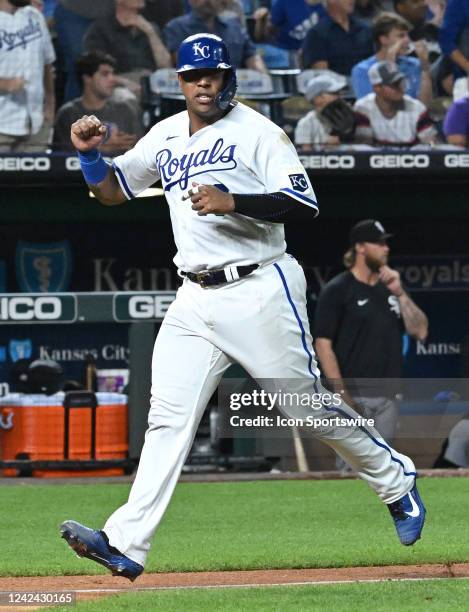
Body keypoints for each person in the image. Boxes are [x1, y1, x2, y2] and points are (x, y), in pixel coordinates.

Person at [59, 33, 426, 581]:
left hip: (259, 284)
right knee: (167, 419)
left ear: (228, 77)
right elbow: (113, 189)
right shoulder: (165, 136)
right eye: (192, 75)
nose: (203, 83)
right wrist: (90, 156)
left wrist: (234, 201)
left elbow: (304, 202)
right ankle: (126, 543)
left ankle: (395, 479)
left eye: (212, 74)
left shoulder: (259, 132)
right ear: (180, 81)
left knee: (304, 409)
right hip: (194, 297)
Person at [314, 220, 428, 462]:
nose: (385, 248)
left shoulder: (390, 289)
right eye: (379, 242)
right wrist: (343, 396)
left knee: (384, 468)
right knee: (351, 470)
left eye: (386, 242)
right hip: (354, 395)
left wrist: (400, 292)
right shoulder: (338, 289)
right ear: (360, 247)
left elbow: (420, 331)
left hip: (388, 397)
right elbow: (323, 345)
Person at [53, 51, 142, 153]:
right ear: (87, 78)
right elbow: (62, 158)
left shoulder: (125, 110)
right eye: (105, 74)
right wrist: (105, 149)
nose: (112, 79)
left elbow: (141, 153)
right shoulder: (68, 114)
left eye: (112, 74)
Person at [83, 0, 171, 97]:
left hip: (152, 83)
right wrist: (125, 83)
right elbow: (96, 71)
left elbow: (166, 66)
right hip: (118, 85)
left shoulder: (151, 27)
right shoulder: (100, 30)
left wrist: (150, 33)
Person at [0, 0, 55, 152]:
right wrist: (4, 84)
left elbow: (47, 61)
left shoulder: (35, 16)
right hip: (2, 122)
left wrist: (51, 101)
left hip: (36, 121)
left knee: (37, 176)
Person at [351, 13, 433, 108]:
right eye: (401, 36)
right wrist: (389, 65)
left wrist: (425, 67)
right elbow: (374, 110)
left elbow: (425, 106)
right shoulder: (362, 70)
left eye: (407, 35)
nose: (407, 40)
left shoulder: (414, 64)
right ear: (384, 40)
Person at [164, 0, 268, 73]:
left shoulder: (235, 26)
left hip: (238, 92)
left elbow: (253, 58)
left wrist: (263, 78)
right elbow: (183, 65)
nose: (209, 1)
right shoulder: (176, 27)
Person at [354, 61, 437, 146]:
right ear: (377, 88)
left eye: (401, 82)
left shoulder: (417, 107)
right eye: (394, 84)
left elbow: (431, 144)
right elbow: (364, 146)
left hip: (411, 156)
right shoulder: (364, 107)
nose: (400, 88)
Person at [301, 0, 374, 75]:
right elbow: (321, 77)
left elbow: (375, 64)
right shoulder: (317, 34)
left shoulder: (365, 30)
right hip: (337, 85)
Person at [294, 73, 354, 150]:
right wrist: (325, 148)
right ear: (318, 97)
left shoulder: (347, 116)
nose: (339, 96)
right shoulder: (306, 123)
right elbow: (305, 154)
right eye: (334, 93)